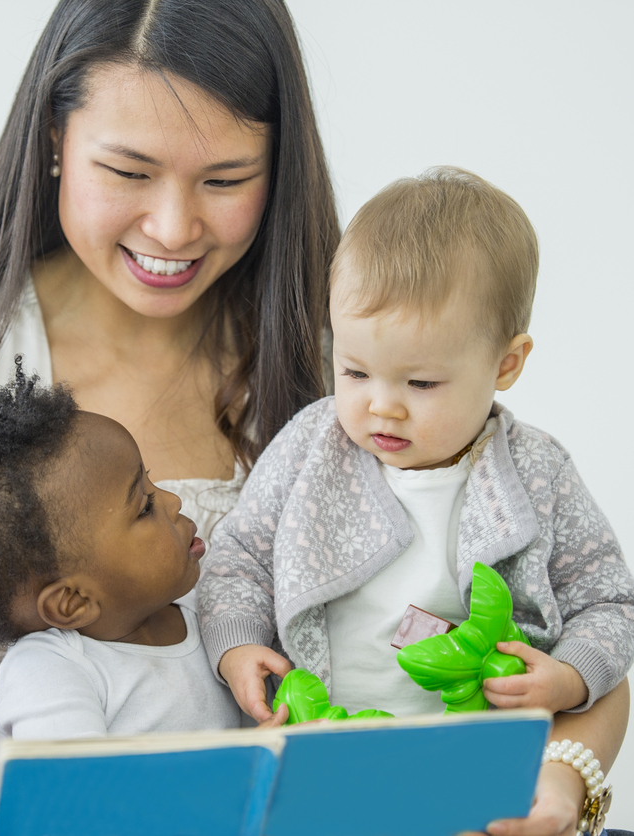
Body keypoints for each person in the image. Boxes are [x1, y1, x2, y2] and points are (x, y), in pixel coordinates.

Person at [0, 0, 339, 756]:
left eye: (224, 180)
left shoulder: (344, 367)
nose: (172, 228)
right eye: (128, 171)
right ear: (54, 139)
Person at [198, 167, 634, 836]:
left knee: (593, 711)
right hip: (324, 754)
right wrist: (235, 647)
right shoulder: (311, 447)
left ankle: (545, 806)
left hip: (480, 761)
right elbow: (237, 560)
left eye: (421, 381)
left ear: (505, 365)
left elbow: (606, 600)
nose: (381, 404)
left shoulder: (536, 471)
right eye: (353, 370)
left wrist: (569, 677)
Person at [0, 363, 283, 739]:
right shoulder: (51, 674)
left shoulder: (216, 607)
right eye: (144, 507)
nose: (173, 500)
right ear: (72, 602)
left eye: (151, 483)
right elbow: (74, 797)